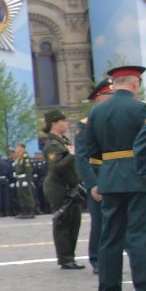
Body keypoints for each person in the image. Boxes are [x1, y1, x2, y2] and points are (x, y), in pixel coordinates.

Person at [82, 63, 146, 291]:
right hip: (140, 179)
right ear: (134, 84)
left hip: (109, 178)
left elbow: (92, 150)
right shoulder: (144, 109)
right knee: (139, 237)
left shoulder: (96, 112)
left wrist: (99, 179)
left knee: (109, 238)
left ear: (115, 84)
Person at [41, 110, 86, 270]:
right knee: (62, 222)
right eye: (63, 121)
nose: (66, 123)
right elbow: (56, 167)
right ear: (54, 123)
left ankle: (70, 256)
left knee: (74, 221)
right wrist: (72, 155)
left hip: (70, 186)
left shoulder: (63, 140)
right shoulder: (52, 144)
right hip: (58, 187)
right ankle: (65, 258)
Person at [80, 78, 110, 273]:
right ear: (98, 98)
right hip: (98, 175)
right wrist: (91, 184)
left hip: (116, 174)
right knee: (99, 222)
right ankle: (97, 259)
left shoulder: (115, 118)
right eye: (109, 95)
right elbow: (82, 158)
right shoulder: (86, 124)